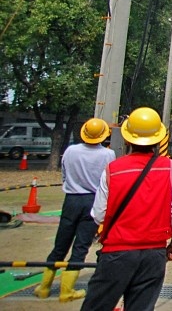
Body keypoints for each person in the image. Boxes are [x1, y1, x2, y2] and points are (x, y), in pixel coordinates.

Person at [80, 108, 172, 311]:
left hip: (116, 253)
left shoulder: (113, 169)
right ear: (158, 139)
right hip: (153, 254)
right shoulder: (171, 168)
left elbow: (99, 214)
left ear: (128, 139)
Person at [34, 118, 115, 302]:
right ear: (104, 135)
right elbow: (108, 181)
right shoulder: (107, 155)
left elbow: (64, 173)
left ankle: (44, 287)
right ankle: (67, 290)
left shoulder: (71, 150)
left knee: (60, 243)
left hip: (71, 199)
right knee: (81, 246)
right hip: (93, 201)